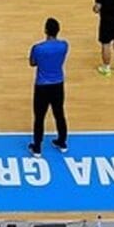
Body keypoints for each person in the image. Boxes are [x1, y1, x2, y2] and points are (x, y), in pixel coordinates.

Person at [28, 17, 69, 157]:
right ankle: (62, 142)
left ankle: (37, 147)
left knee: (39, 117)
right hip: (58, 84)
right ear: (58, 31)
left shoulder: (38, 48)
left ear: (45, 30)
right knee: (59, 114)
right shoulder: (64, 45)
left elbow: (32, 63)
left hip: (42, 86)